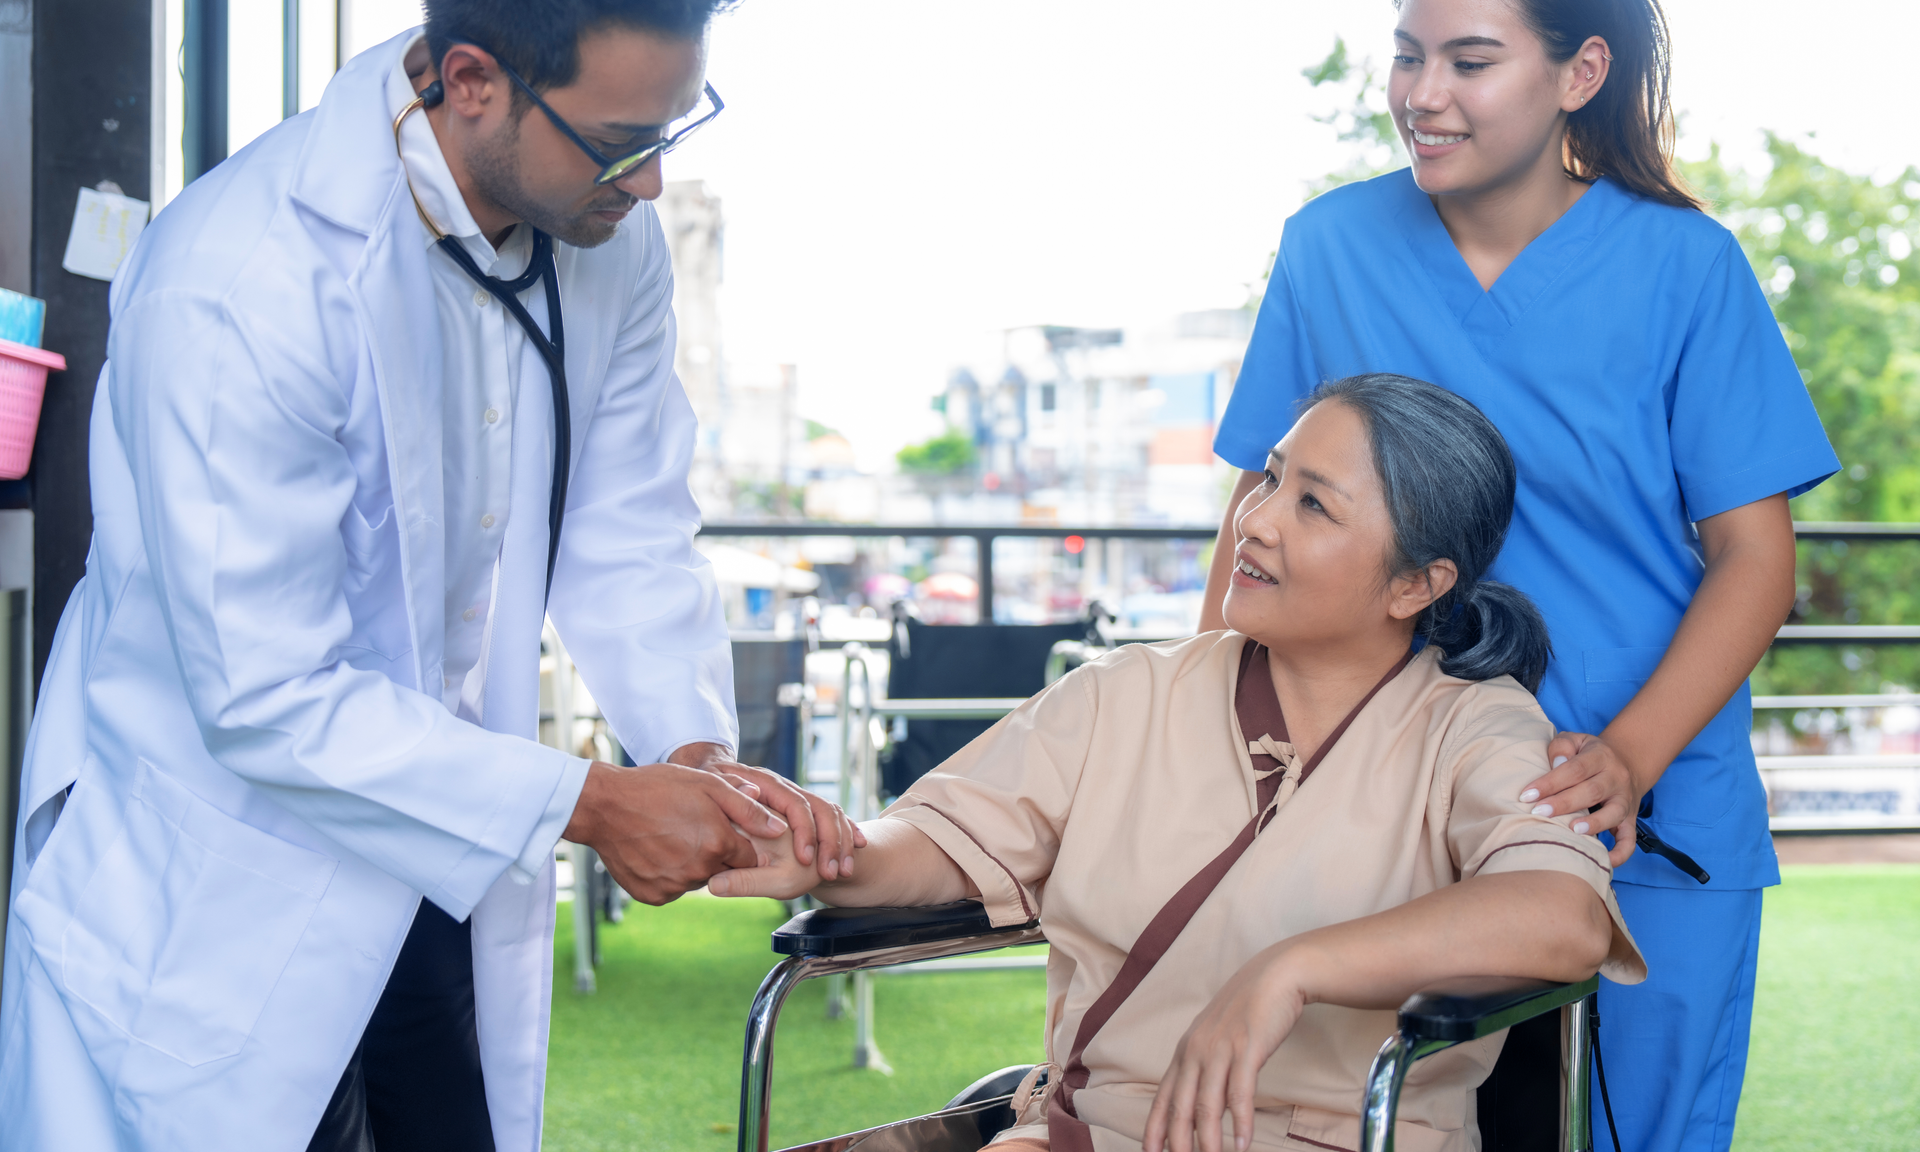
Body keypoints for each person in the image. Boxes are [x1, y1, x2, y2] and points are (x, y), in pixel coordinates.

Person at [0, 2, 863, 1149]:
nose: (651, 183)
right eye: (619, 143)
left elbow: (625, 527)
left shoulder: (608, 237)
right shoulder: (244, 278)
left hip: (442, 841)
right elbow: (265, 693)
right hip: (222, 872)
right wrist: (594, 805)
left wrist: (692, 750)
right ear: (471, 81)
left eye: (671, 132)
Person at [1197, 3, 1839, 1151]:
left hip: (1647, 813)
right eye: (1407, 56)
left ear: (1580, 71)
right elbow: (1260, 521)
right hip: (1376, 805)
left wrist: (1627, 758)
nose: (1422, 93)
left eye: (1471, 61)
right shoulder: (1330, 248)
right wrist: (1206, 750)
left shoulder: (1687, 267)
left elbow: (1755, 558)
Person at [714, 375, 1648, 1152]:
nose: (1256, 519)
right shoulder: (1124, 693)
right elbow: (946, 839)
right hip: (1090, 1133)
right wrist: (836, 850)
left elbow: (1562, 917)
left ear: (1416, 583)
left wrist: (1293, 969)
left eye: (1313, 503)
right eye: (1269, 478)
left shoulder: (1478, 728)